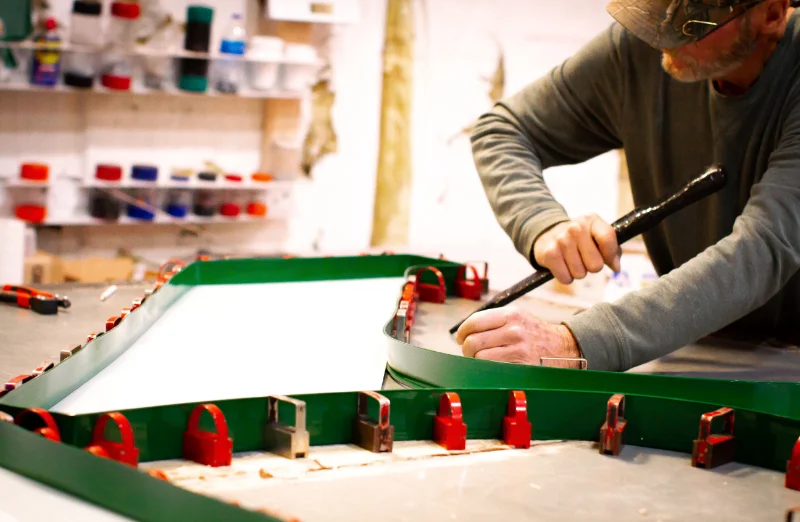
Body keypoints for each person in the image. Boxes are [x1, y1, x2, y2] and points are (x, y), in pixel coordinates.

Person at [455, 0, 800, 372]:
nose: (661, 35)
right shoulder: (646, 49)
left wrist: (575, 343)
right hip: (697, 349)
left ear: (771, 13)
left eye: (693, 21)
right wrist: (540, 222)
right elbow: (504, 130)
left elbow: (760, 251)